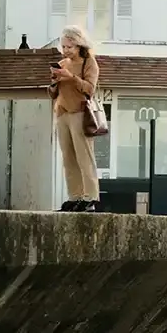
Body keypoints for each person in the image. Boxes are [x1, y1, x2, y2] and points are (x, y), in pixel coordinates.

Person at [50, 26, 101, 212]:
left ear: (79, 45)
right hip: (62, 112)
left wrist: (71, 77)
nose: (66, 51)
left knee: (84, 156)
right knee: (68, 158)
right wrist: (55, 82)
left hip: (80, 112)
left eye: (69, 47)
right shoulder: (62, 63)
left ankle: (91, 196)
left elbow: (89, 89)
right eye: (63, 47)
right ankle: (75, 196)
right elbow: (52, 93)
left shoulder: (89, 63)